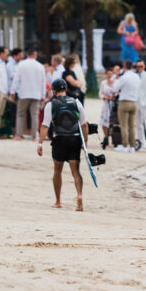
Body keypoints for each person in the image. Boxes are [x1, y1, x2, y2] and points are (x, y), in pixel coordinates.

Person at [38, 78, 88, 212]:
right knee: (75, 171)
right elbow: (84, 124)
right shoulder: (76, 102)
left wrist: (40, 143)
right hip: (74, 139)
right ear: (66, 89)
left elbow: (44, 126)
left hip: (59, 140)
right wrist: (85, 142)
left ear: (54, 91)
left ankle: (58, 201)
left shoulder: (51, 105)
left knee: (57, 171)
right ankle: (79, 195)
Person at [10, 47, 46, 140]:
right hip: (36, 93)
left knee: (20, 114)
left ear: (27, 55)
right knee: (34, 115)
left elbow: (16, 79)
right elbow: (43, 82)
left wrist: (12, 91)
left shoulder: (21, 65)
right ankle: (34, 136)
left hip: (24, 93)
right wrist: (43, 95)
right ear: (35, 55)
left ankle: (19, 134)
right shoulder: (40, 66)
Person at [110, 59, 141, 151]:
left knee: (124, 125)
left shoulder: (124, 77)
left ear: (124, 67)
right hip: (134, 102)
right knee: (132, 125)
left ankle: (125, 145)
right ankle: (132, 146)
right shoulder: (137, 77)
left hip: (124, 102)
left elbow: (115, 89)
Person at [134, 58, 146, 150]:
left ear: (144, 66)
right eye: (138, 66)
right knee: (138, 123)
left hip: (145, 103)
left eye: (141, 66)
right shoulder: (134, 76)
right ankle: (141, 141)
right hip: (135, 102)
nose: (139, 68)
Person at [98, 67, 116, 149]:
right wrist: (104, 97)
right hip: (106, 104)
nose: (109, 75)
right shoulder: (103, 83)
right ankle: (106, 137)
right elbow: (100, 93)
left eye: (111, 74)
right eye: (108, 74)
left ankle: (113, 139)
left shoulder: (116, 82)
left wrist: (113, 97)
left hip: (113, 104)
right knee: (104, 122)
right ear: (106, 74)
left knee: (112, 122)